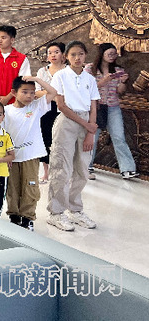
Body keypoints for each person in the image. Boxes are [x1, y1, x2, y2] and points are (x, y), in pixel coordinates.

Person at [47, 41, 100, 232]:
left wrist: (90, 132)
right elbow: (61, 105)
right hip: (67, 122)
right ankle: (56, 213)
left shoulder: (90, 79)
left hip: (86, 123)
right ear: (66, 57)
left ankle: (75, 209)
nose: (77, 58)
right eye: (73, 55)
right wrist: (87, 125)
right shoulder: (60, 76)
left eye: (81, 54)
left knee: (82, 169)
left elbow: (93, 106)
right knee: (61, 168)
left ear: (85, 56)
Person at [3, 76, 57, 230]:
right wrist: (6, 155)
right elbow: (3, 134)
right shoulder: (6, 111)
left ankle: (27, 218)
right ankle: (14, 216)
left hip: (31, 156)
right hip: (12, 157)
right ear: (14, 92)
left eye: (32, 92)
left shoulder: (36, 107)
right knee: (12, 187)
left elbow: (53, 92)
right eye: (25, 92)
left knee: (30, 187)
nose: (29, 96)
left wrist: (36, 79)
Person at [87, 43, 139, 180]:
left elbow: (120, 92)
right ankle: (86, 166)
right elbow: (86, 89)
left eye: (114, 54)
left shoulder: (118, 70)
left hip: (113, 107)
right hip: (96, 107)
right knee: (92, 137)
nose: (112, 56)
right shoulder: (90, 69)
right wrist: (104, 81)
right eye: (109, 54)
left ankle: (127, 169)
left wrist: (123, 82)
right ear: (102, 54)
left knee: (119, 137)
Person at [36, 42, 66, 183]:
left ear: (63, 55)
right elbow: (37, 92)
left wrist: (49, 93)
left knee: (60, 141)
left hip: (63, 109)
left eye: (56, 52)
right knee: (45, 139)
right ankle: (46, 172)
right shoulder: (42, 72)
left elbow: (67, 92)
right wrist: (55, 95)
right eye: (50, 53)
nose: (53, 55)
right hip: (46, 109)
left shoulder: (68, 71)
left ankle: (61, 172)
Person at [0, 25, 31, 105]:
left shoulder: (21, 59)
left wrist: (8, 98)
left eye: (3, 38)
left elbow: (22, 81)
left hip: (14, 102)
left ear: (12, 40)